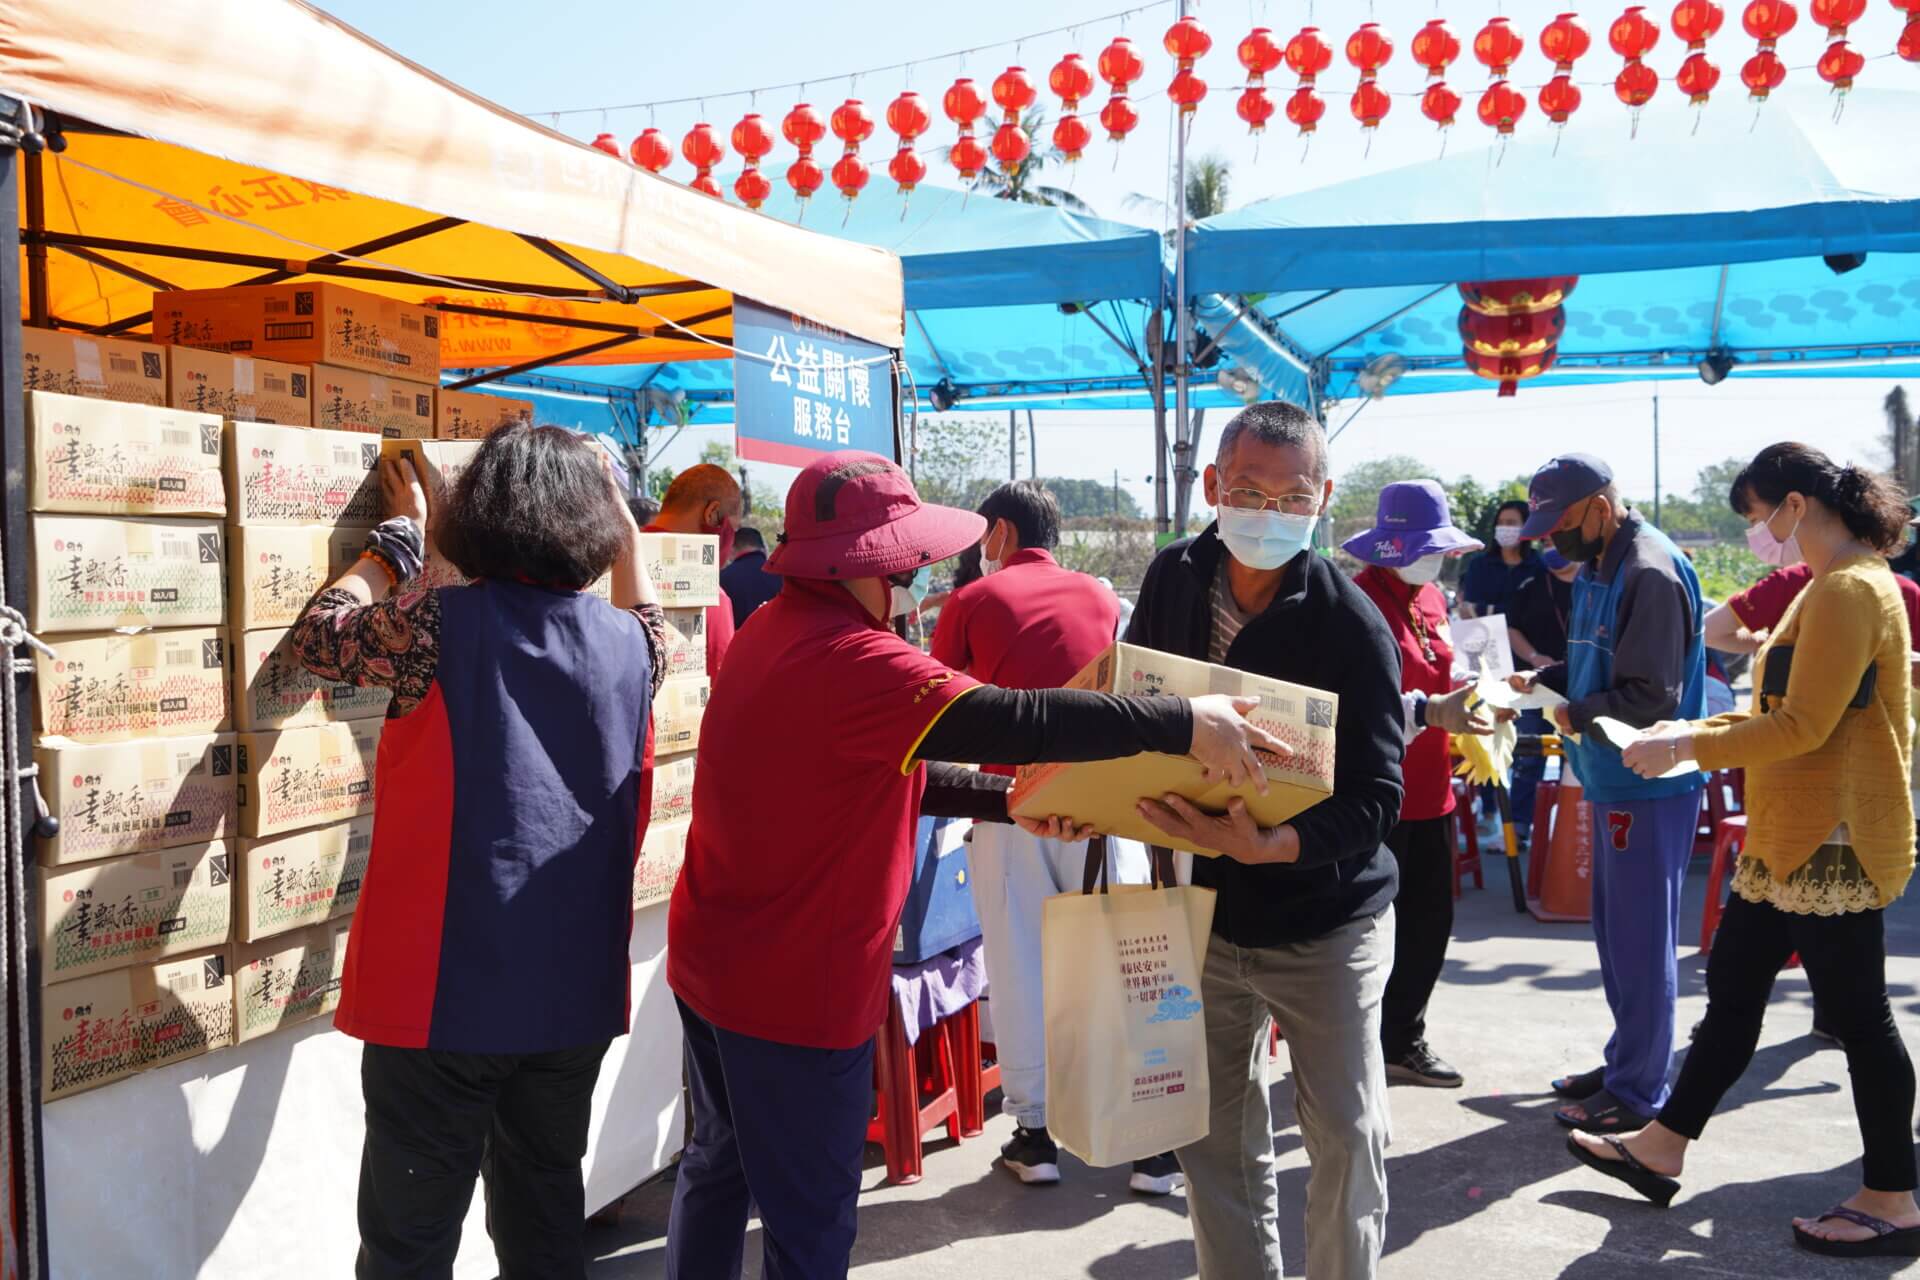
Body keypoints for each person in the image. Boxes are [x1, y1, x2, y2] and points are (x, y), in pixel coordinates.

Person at [663, 450, 1290, 1280]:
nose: (922, 573)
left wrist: (1020, 805)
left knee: (719, 1168)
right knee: (809, 1226)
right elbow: (1016, 718)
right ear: (864, 563)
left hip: (716, 959)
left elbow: (907, 772)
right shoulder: (856, 657)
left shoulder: (774, 632)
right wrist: (1180, 723)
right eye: (907, 559)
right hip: (796, 985)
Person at [290, 425, 667, 1280]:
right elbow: (646, 610)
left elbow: (324, 633)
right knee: (543, 1220)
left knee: (410, 1239)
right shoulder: (637, 648)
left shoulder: (434, 624)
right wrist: (628, 534)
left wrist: (393, 545)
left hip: (444, 996)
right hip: (571, 995)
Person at [1570, 443, 1920, 1259]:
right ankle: (1662, 1147)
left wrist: (1689, 745)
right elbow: (1785, 708)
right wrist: (1683, 732)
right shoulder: (1831, 587)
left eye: (1761, 516)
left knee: (1861, 1019)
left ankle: (1894, 1195)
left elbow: (1803, 727)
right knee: (1732, 993)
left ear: (1796, 505)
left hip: (1829, 840)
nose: (1761, 532)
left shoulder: (1847, 590)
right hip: (1792, 835)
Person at [1124, 401, 1407, 1280]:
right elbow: (1134, 706)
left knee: (1347, 1138)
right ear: (1212, 486)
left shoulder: (1351, 626)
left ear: (1323, 500)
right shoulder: (1173, 577)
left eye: (1293, 497)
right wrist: (1085, 794)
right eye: (1249, 490)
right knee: (1213, 1139)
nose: (1270, 513)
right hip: (1207, 913)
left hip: (1327, 923)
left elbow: (1377, 798)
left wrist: (1276, 847)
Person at [928, 480, 1175, 1194]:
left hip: (1016, 805)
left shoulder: (974, 599)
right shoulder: (1100, 596)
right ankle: (1153, 1146)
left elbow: (945, 701)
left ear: (998, 533)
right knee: (1126, 968)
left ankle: (1034, 1137)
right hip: (1105, 804)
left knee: (1020, 971)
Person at [1511, 454, 1708, 1136]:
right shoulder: (1600, 563)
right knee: (1617, 937)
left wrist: (1575, 712)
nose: (1549, 538)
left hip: (1647, 783)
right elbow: (1604, 658)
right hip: (1612, 774)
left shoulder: (1648, 570)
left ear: (1600, 506)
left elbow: (1651, 696)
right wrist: (1543, 679)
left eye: (1559, 522)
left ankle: (1637, 1092)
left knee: (1643, 941)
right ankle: (1626, 1062)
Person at [1344, 480, 1486, 1090]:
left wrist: (1492, 694)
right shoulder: (1356, 604)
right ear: (1390, 545)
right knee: (1366, 931)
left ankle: (1404, 1038)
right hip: (1375, 795)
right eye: (1423, 547)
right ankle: (1353, 1047)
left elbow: (1450, 670)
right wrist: (1430, 710)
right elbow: (1360, 704)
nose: (1434, 559)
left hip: (1432, 791)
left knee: (1430, 924)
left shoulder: (1432, 598)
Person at [1505, 547, 1580, 843]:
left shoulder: (1594, 583)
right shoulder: (1530, 583)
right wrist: (1534, 658)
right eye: (1547, 539)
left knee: (1574, 758)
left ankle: (1571, 828)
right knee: (1527, 756)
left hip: (1577, 687)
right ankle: (1519, 825)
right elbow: (1511, 628)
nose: (1554, 546)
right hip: (1533, 687)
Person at [646, 463, 742, 674]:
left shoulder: (611, 560)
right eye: (733, 530)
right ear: (712, 514)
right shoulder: (709, 595)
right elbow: (720, 688)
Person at [1459, 498, 1544, 620]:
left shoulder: (1539, 568)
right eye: (1500, 522)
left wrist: (1484, 609)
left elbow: (1535, 615)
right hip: (1483, 637)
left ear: (1527, 526)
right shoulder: (1479, 565)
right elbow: (1468, 611)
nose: (1504, 527)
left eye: (1511, 523)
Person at [718, 526, 781, 627]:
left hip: (737, 641)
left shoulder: (722, 579)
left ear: (732, 549)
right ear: (763, 549)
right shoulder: (783, 576)